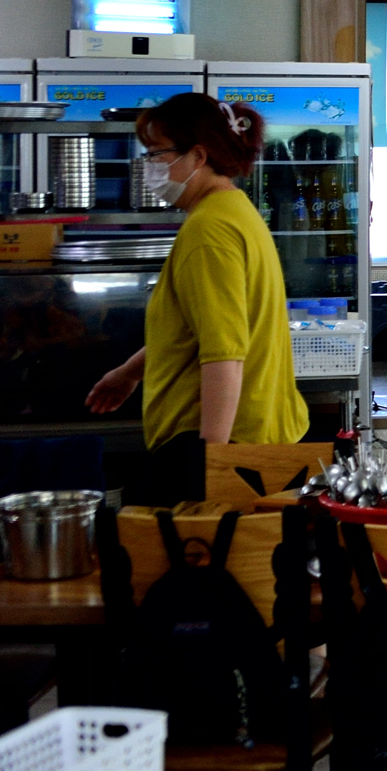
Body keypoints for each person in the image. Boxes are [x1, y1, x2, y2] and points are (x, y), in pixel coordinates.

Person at [85, 93, 307, 505]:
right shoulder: (234, 210)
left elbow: (225, 354)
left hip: (216, 442)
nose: (148, 166)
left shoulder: (209, 231)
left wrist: (210, 466)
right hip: (253, 436)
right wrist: (129, 373)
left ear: (198, 156)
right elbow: (199, 329)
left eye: (156, 154)